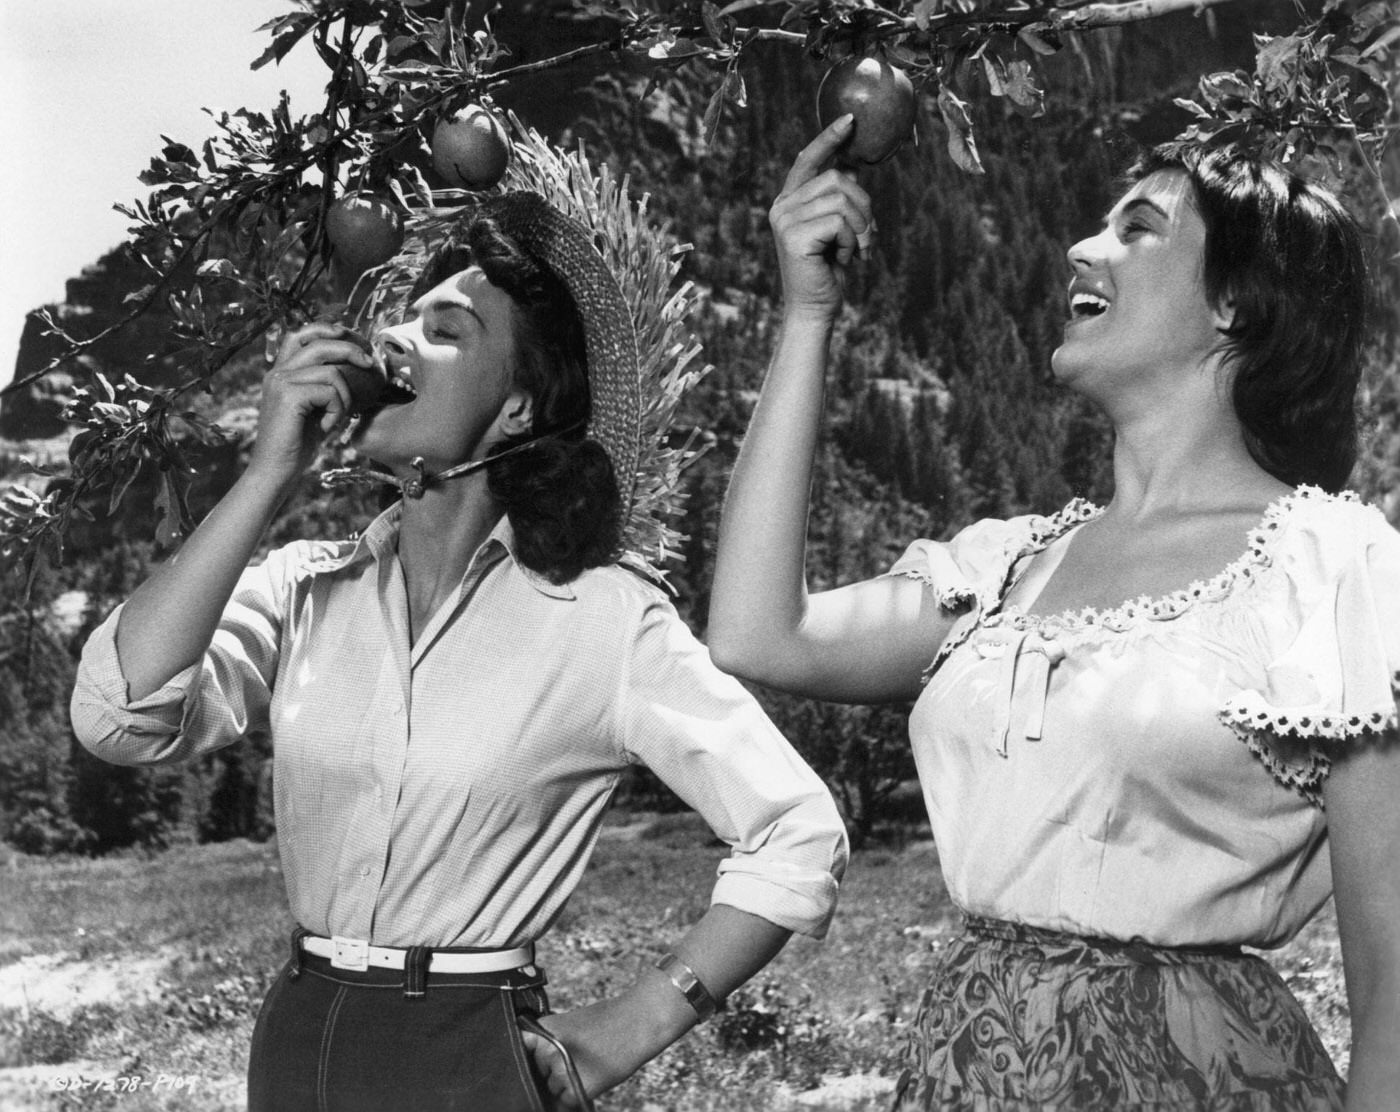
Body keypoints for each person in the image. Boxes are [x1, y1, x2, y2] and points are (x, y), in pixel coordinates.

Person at [70, 183, 849, 1111]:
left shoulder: (601, 619)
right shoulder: (301, 586)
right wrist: (268, 475)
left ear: (517, 409)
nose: (392, 340)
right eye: (400, 320)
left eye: (445, 329)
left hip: (467, 1053)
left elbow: (796, 830)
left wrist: (630, 1027)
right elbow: (119, 719)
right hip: (297, 1036)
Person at [706, 114, 1400, 1111]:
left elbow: (1387, 992)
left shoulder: (1334, 574)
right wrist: (805, 314)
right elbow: (760, 631)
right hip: (968, 1073)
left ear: (1236, 304)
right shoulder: (991, 574)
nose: (1082, 246)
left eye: (1138, 228)